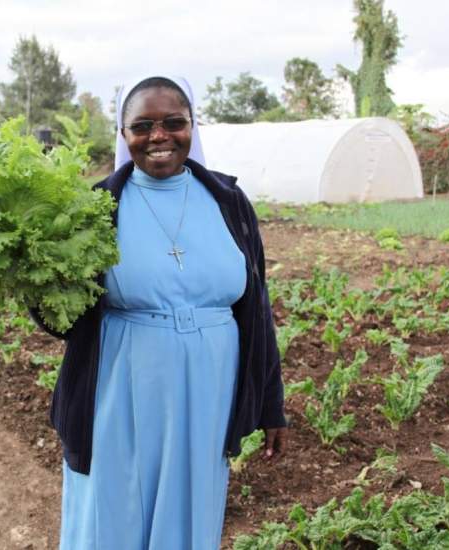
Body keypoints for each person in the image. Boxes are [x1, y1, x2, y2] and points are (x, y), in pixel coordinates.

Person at [33, 76, 287, 549]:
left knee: (190, 510)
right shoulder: (96, 208)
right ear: (122, 132)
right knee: (114, 510)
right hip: (120, 386)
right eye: (142, 125)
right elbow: (62, 321)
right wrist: (34, 278)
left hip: (209, 391)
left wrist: (270, 403)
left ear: (193, 126)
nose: (159, 136)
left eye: (174, 122)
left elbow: (256, 309)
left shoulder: (230, 202)